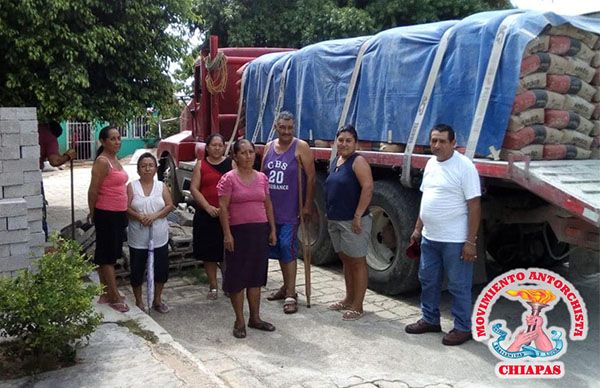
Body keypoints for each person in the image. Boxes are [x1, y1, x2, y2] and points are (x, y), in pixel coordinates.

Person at [405, 124, 481, 346]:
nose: (436, 145)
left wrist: (470, 242)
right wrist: (418, 228)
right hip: (430, 237)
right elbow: (426, 199)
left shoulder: (464, 167)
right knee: (427, 280)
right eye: (433, 141)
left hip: (455, 241)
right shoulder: (430, 164)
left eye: (442, 141)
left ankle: (462, 327)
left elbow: (474, 206)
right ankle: (430, 319)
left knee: (458, 284)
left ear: (453, 143)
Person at [218, 139, 277, 338]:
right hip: (237, 233)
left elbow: (268, 204)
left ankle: (255, 318)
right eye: (243, 153)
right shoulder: (229, 179)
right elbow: (223, 208)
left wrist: (272, 230)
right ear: (235, 156)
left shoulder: (262, 178)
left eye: (251, 152)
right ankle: (239, 320)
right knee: (237, 278)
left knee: (255, 277)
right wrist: (227, 234)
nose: (248, 156)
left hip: (259, 232)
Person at [262, 111, 315, 314]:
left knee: (287, 246)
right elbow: (262, 178)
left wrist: (308, 205)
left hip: (290, 210)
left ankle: (291, 293)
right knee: (277, 249)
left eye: (290, 128)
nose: (286, 131)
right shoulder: (268, 147)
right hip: (271, 211)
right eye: (282, 127)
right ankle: (285, 287)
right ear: (276, 127)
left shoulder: (300, 147)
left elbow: (310, 178)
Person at [325, 125, 373, 321]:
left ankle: (358, 306)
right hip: (335, 220)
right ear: (336, 141)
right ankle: (348, 298)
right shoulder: (337, 160)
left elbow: (368, 187)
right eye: (341, 140)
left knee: (358, 262)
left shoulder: (358, 161)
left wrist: (358, 215)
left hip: (352, 222)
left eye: (348, 140)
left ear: (356, 143)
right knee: (346, 260)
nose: (344, 144)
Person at [88, 126, 130, 313]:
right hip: (106, 213)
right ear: (103, 142)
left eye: (119, 138)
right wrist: (93, 212)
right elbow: (93, 189)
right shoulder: (103, 162)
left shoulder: (115, 159)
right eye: (112, 139)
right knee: (108, 257)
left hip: (119, 213)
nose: (117, 141)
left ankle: (105, 294)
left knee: (109, 253)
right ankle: (113, 296)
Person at [126, 152, 174, 313]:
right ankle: (139, 301)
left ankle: (157, 300)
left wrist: (154, 216)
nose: (147, 169)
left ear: (156, 168)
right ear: (138, 169)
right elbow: (125, 207)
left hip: (159, 235)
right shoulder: (132, 186)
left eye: (150, 165)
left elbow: (169, 205)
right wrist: (138, 216)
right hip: (138, 236)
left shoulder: (161, 186)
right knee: (137, 269)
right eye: (143, 166)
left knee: (161, 270)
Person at [190, 134, 233, 300]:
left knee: (226, 251)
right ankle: (213, 285)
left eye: (220, 145)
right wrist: (207, 207)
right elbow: (194, 188)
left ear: (224, 147)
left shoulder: (231, 164)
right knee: (208, 253)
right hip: (206, 215)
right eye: (213, 145)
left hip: (227, 216)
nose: (216, 148)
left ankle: (228, 282)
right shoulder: (201, 164)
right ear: (207, 147)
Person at [39, 121, 77, 240]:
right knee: (39, 211)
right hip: (31, 177)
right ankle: (42, 240)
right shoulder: (49, 137)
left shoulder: (36, 128)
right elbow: (54, 161)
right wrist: (68, 156)